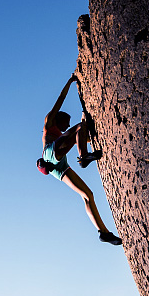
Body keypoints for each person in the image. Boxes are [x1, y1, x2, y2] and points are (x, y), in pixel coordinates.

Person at [37, 75, 121, 246]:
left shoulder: (62, 135)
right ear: (58, 119)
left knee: (88, 195)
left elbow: (82, 137)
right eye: (65, 124)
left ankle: (103, 232)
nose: (66, 127)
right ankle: (83, 158)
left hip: (58, 167)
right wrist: (69, 82)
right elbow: (60, 100)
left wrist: (84, 119)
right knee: (80, 128)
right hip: (50, 154)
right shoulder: (49, 122)